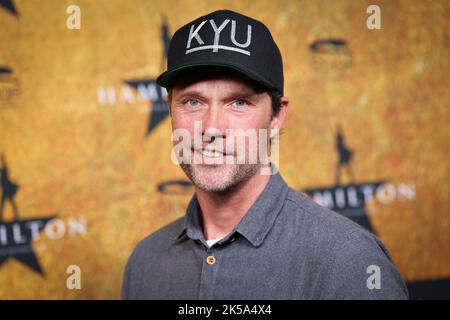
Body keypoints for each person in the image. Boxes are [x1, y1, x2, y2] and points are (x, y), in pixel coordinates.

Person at [122, 9, 408, 299]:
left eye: (239, 103)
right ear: (170, 109)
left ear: (276, 117)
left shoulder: (350, 261)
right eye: (193, 102)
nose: (211, 128)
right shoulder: (146, 263)